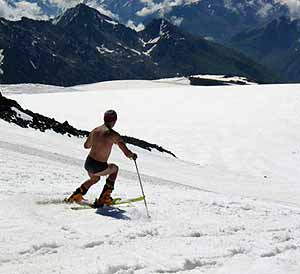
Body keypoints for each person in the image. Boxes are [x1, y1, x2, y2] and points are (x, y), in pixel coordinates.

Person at [66, 109, 137, 208]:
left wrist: (97, 142)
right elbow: (127, 153)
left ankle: (77, 194)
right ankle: (104, 198)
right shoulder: (114, 135)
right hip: (98, 166)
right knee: (114, 169)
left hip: (88, 163)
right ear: (114, 121)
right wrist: (133, 156)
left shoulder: (95, 130)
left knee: (95, 178)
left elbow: (86, 146)